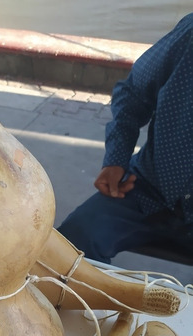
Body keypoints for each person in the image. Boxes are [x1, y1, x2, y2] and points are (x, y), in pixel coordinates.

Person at [57, 13, 193, 265]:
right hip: (151, 188)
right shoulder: (190, 35)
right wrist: (116, 160)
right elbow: (133, 93)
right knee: (70, 247)